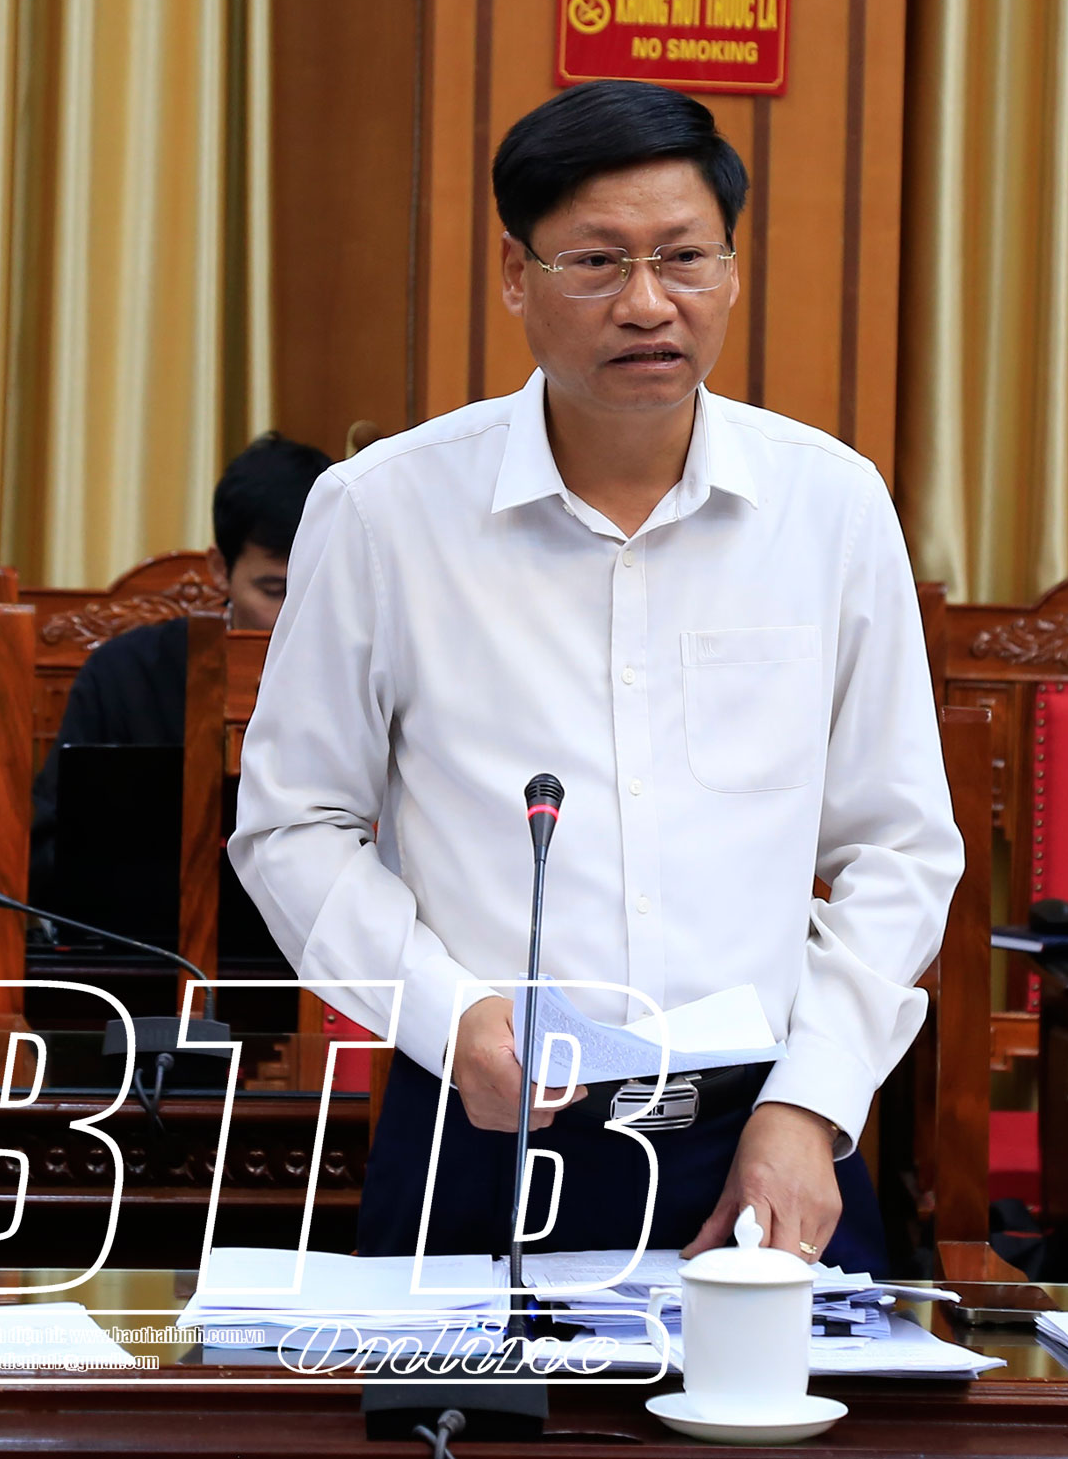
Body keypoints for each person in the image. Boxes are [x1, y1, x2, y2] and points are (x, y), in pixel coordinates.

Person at [230, 80, 959, 1271]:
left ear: (731, 269)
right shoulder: (383, 513)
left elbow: (900, 846)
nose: (647, 303)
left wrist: (813, 1098)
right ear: (515, 274)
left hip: (760, 1137)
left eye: (684, 257)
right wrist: (448, 1014)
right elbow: (292, 824)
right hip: (485, 1124)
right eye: (596, 262)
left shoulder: (830, 506)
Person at [25, 432, 332, 883]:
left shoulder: (370, 673)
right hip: (147, 921)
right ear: (220, 569)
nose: (295, 615)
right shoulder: (123, 676)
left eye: (316, 587)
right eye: (274, 590)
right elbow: (50, 852)